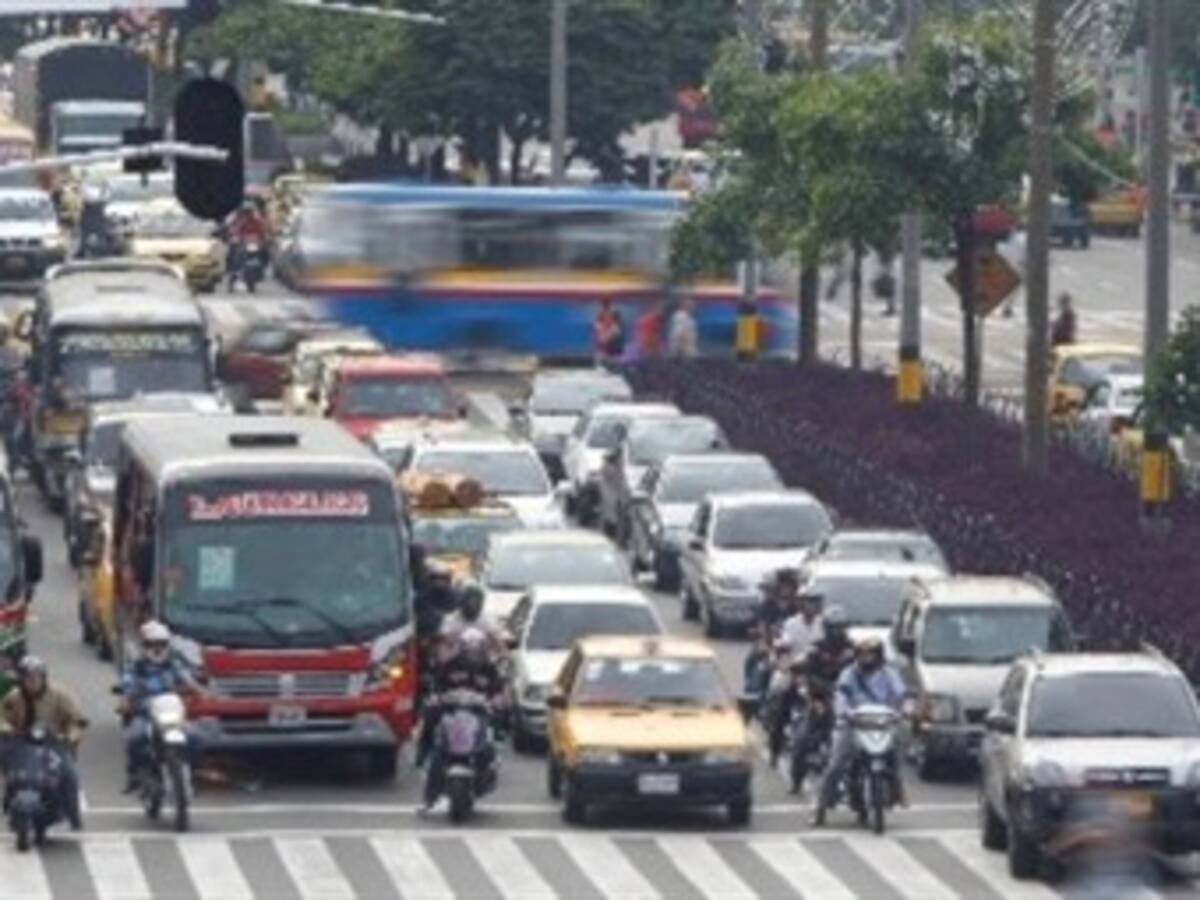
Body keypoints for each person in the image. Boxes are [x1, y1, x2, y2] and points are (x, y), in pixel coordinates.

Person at [812, 637, 907, 826]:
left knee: (896, 756)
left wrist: (901, 711)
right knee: (836, 764)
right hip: (854, 725)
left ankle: (898, 792)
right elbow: (841, 695)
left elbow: (900, 695)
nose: (866, 659)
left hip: (882, 725)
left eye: (870, 654)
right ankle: (819, 808)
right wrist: (844, 712)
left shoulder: (889, 674)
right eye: (863, 655)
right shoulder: (849, 674)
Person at [418, 627, 504, 808]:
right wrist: (435, 697)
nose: (473, 652)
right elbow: (437, 685)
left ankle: (487, 772)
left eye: (477, 648)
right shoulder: (450, 666)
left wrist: (497, 701)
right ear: (462, 648)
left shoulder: (489, 669)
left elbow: (498, 690)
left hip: (478, 713)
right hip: (452, 712)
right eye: (469, 647)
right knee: (438, 747)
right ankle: (429, 792)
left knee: (490, 743)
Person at [0, 656, 86, 830]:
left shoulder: (60, 695)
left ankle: (73, 814)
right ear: (21, 679)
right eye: (28, 678)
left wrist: (70, 737)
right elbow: (2, 717)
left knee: (70, 775)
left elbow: (77, 719)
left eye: (37, 677)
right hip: (22, 744)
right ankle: (9, 801)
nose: (33, 682)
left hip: (54, 745)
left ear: (44, 677)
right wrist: (7, 728)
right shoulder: (14, 698)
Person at [118, 621, 196, 795]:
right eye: (152, 644)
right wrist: (126, 698)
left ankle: (189, 770)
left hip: (172, 714)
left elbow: (187, 679)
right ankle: (134, 776)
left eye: (161, 644)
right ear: (144, 645)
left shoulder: (173, 663)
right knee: (134, 737)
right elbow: (127, 683)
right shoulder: (136, 666)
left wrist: (198, 690)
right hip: (146, 714)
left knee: (196, 737)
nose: (157, 648)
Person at [225, 202, 271, 291]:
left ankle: (262, 268)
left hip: (255, 244)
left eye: (249, 212)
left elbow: (263, 231)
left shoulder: (257, 221)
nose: (248, 214)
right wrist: (235, 236)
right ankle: (232, 280)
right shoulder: (240, 221)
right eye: (246, 212)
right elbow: (235, 230)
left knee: (265, 253)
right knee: (236, 259)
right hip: (243, 244)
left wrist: (265, 239)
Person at [592, 298, 625, 363]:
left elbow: (618, 324)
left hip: (613, 345)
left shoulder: (615, 326)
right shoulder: (600, 314)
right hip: (606, 341)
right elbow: (596, 325)